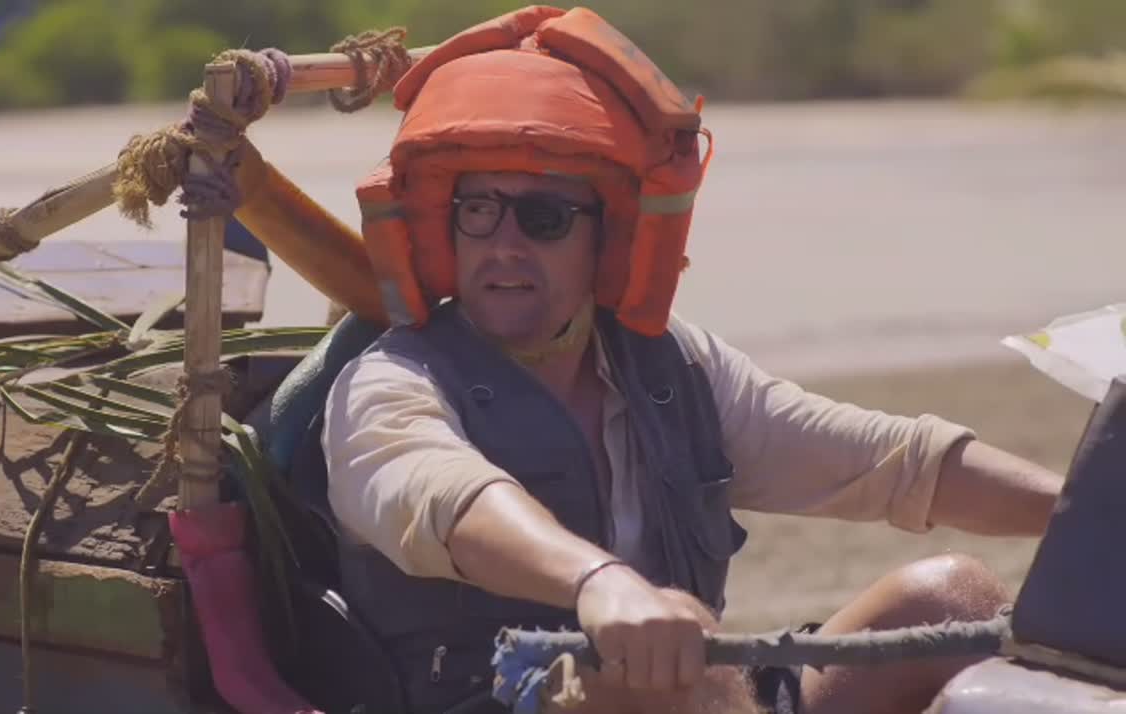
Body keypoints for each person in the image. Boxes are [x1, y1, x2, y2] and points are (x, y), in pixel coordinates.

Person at [319, 7, 1062, 714]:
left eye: (543, 218)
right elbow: (449, 498)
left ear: (608, 239)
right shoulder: (389, 383)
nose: (504, 246)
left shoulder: (673, 367)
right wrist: (602, 583)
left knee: (953, 600)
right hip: (503, 698)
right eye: (478, 212)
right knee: (683, 651)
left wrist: (1081, 511)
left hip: (700, 693)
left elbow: (895, 464)